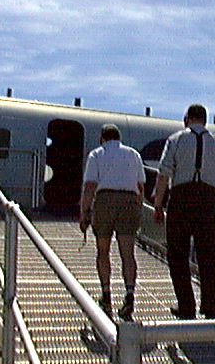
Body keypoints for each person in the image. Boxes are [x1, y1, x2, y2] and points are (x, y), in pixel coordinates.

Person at [153, 104, 215, 320]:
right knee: (208, 255)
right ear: (205, 120)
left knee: (177, 254)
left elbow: (163, 174)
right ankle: (211, 307)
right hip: (209, 199)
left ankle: (186, 306)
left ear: (187, 118)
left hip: (182, 196)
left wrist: (158, 205)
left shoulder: (176, 139)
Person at [79, 124, 146, 321]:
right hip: (129, 200)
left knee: (103, 250)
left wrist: (85, 212)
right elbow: (140, 186)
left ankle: (106, 294)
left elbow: (90, 185)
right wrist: (138, 208)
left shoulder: (96, 155)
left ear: (102, 138)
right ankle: (130, 294)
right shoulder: (133, 154)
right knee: (127, 252)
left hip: (105, 200)